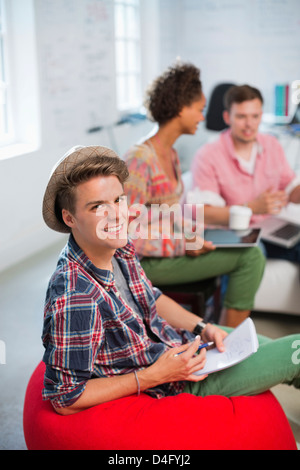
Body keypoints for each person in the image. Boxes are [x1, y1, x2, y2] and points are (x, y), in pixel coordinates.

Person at [41, 145, 300, 415]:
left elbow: (150, 298)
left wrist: (203, 326)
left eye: (119, 200)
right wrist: (154, 376)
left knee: (268, 344)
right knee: (297, 351)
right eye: (98, 206)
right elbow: (65, 398)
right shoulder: (75, 295)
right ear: (69, 217)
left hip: (183, 347)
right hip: (177, 384)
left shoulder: (116, 247)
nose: (118, 214)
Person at [124, 63, 265, 328]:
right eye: (199, 110)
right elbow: (126, 236)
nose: (202, 117)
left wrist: (192, 234)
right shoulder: (139, 160)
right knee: (251, 257)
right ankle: (228, 341)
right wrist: (183, 244)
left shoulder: (171, 154)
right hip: (144, 264)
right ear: (181, 108)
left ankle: (221, 334)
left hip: (167, 252)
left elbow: (168, 215)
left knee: (245, 246)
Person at [191, 84, 300, 263]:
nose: (249, 124)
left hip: (268, 228)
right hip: (233, 233)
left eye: (255, 116)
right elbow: (203, 213)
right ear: (227, 117)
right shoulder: (208, 154)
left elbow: (291, 190)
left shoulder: (272, 145)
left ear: (261, 116)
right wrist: (251, 207)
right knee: (255, 252)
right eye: (241, 116)